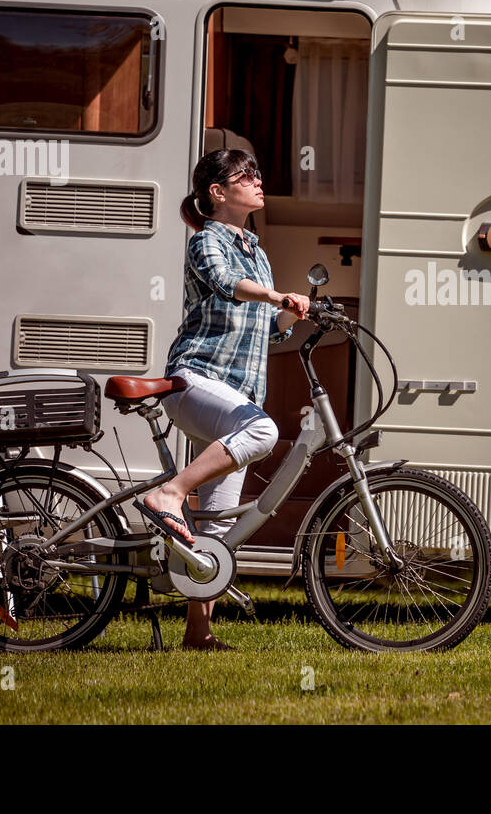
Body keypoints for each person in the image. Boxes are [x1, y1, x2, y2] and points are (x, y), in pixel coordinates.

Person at [143, 147, 310, 650]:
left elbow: (265, 333)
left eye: (257, 174)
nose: (259, 182)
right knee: (264, 431)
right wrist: (275, 296)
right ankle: (169, 494)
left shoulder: (256, 249)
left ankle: (198, 633)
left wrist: (294, 314)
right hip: (194, 380)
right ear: (218, 192)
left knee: (218, 526)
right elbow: (223, 285)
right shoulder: (207, 241)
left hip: (235, 392)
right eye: (246, 176)